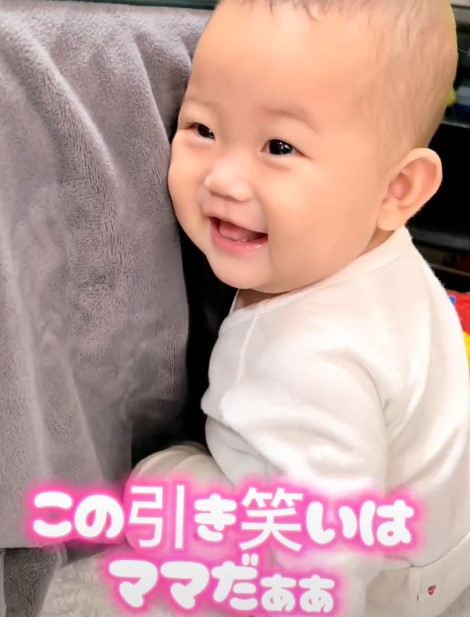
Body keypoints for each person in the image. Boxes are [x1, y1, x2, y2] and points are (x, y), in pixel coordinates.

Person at [131, 1, 470, 615]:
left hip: (380, 585)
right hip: (440, 542)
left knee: (158, 490)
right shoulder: (378, 247)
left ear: (396, 189)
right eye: (202, 128)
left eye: (280, 146)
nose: (224, 179)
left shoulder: (303, 360)